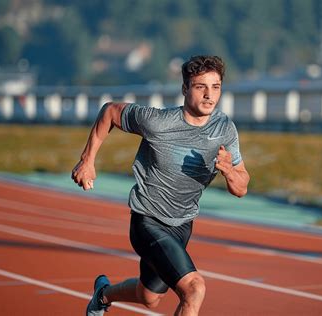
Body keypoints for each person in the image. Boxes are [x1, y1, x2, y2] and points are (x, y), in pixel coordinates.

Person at [72, 55, 250, 316]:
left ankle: (102, 296)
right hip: (148, 221)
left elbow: (242, 187)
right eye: (201, 87)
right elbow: (110, 111)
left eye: (216, 87)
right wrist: (87, 160)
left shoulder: (224, 128)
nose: (210, 95)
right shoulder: (158, 122)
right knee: (194, 288)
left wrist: (230, 171)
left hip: (182, 225)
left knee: (149, 296)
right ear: (185, 89)